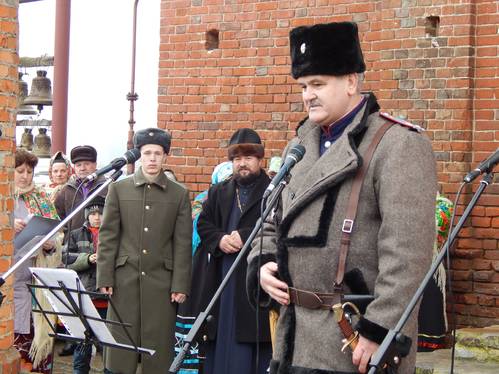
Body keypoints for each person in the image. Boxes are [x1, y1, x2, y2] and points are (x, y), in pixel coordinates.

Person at [246, 22, 437, 374]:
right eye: (304, 86)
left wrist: (381, 329)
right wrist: (263, 264)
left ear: (351, 81)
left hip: (354, 337)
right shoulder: (300, 145)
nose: (308, 95)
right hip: (295, 336)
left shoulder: (397, 144)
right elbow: (271, 220)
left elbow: (409, 253)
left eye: (318, 84)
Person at [97, 128, 192, 374]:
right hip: (123, 280)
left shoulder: (179, 194)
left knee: (158, 353)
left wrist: (180, 284)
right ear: (139, 155)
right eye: (147, 153)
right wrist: (105, 276)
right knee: (120, 352)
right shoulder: (119, 189)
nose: (152, 158)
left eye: (157, 153)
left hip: (162, 281)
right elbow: (108, 236)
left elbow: (182, 242)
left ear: (164, 157)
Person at [196, 128, 272, 374]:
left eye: (248, 158)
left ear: (260, 160)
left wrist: (246, 235)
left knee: (250, 352)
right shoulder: (220, 191)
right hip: (223, 276)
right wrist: (219, 240)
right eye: (237, 159)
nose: (243, 164)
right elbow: (203, 223)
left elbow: (280, 224)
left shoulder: (273, 190)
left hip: (255, 279)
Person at [174, 161, 233, 374]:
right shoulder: (202, 201)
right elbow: (197, 231)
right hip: (200, 265)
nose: (228, 185)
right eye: (224, 180)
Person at [13, 149, 63, 374]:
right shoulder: (4, 198)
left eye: (29, 171)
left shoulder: (42, 198)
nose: (25, 176)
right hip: (11, 283)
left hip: (37, 284)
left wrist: (50, 244)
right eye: (20, 171)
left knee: (38, 350)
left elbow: (57, 236)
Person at [63, 195, 107, 374]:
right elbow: (65, 259)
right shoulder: (75, 234)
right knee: (82, 344)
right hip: (84, 297)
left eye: (101, 213)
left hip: (106, 299)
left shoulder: (112, 233)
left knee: (108, 345)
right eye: (93, 213)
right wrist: (87, 259)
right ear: (87, 215)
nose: (97, 217)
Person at [54, 145, 107, 234]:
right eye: (78, 165)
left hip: (101, 241)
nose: (82, 168)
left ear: (95, 165)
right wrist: (67, 235)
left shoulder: (107, 187)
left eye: (87, 164)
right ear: (74, 167)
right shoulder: (66, 190)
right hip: (74, 243)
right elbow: (58, 216)